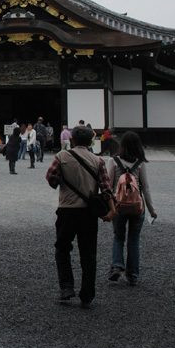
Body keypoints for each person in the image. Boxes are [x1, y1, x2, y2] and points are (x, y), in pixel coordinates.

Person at [45, 125, 116, 308]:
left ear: (73, 140)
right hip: (88, 212)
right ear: (90, 141)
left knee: (62, 248)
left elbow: (51, 178)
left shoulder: (62, 156)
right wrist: (111, 210)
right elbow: (106, 188)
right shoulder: (97, 160)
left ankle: (67, 287)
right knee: (88, 253)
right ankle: (87, 294)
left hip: (67, 209)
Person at [105, 132, 158, 285]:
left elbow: (109, 186)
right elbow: (145, 188)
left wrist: (107, 207)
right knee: (134, 240)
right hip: (137, 206)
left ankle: (116, 265)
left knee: (118, 237)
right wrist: (151, 210)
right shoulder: (140, 163)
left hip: (118, 205)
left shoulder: (113, 161)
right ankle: (133, 274)